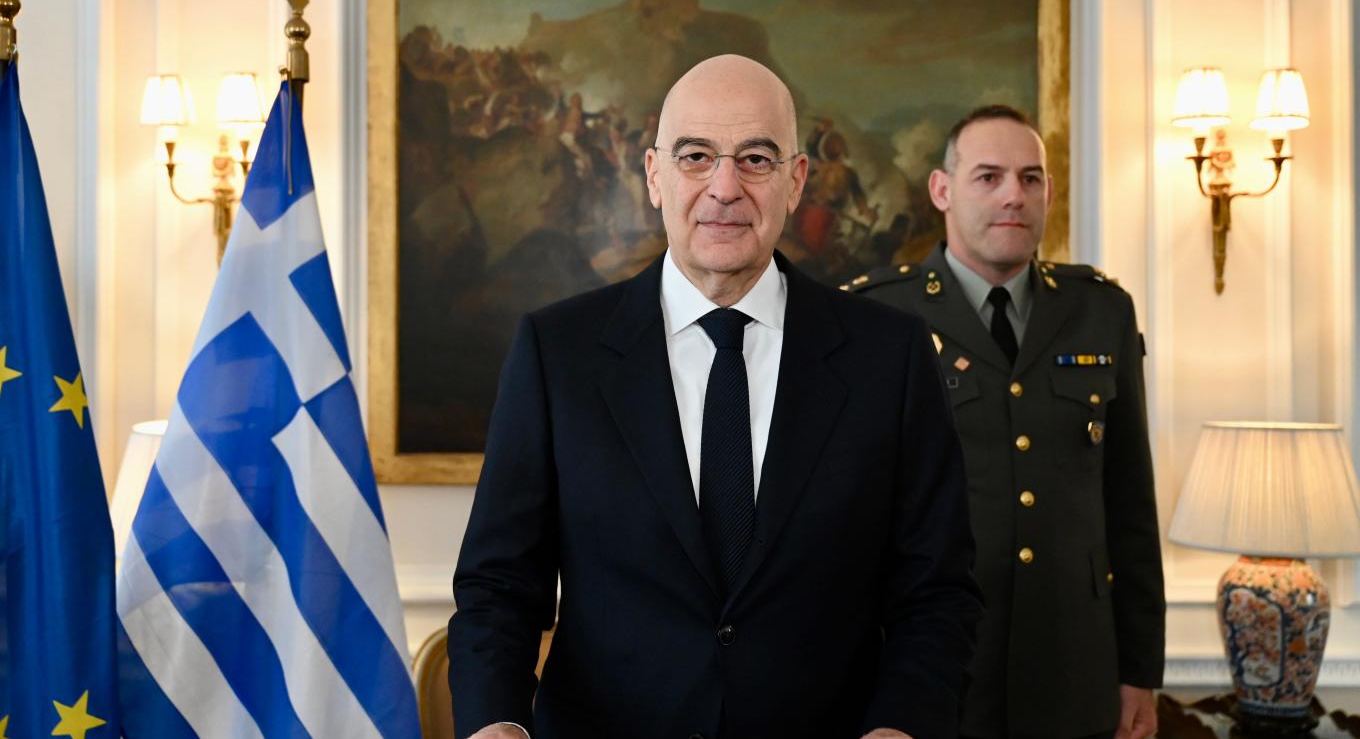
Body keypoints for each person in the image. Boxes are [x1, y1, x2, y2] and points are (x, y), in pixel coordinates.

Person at [448, 54, 983, 739]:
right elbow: (498, 585)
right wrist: (495, 722)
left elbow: (936, 591)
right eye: (696, 156)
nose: (724, 188)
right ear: (654, 175)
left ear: (796, 180)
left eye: (755, 159)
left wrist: (902, 727)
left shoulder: (891, 355)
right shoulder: (557, 353)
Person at [845, 105, 1165, 739]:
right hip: (932, 678)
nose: (1013, 196)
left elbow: (1130, 505)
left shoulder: (1102, 311)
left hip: (1075, 673)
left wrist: (1139, 670)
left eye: (1030, 178)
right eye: (988, 177)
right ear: (942, 190)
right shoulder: (877, 317)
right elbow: (848, 521)